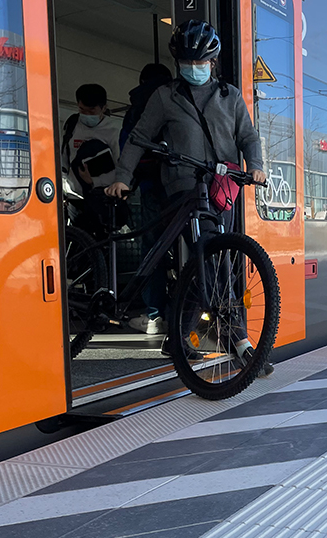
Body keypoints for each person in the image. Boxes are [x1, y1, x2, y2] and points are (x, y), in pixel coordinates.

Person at [106, 20, 272, 376]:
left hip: (221, 190)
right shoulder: (166, 96)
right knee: (209, 261)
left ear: (212, 63)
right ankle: (238, 340)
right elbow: (139, 137)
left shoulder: (230, 97)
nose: (192, 68)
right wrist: (122, 177)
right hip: (182, 187)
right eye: (186, 62)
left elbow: (249, 138)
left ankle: (178, 336)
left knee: (210, 263)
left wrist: (255, 166)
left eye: (199, 62)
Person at [119, 63, 173, 336]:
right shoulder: (179, 98)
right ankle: (189, 312)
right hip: (181, 185)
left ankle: (154, 315)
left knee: (153, 249)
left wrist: (126, 179)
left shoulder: (138, 105)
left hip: (151, 187)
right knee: (196, 246)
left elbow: (128, 143)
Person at [61, 84, 122, 240]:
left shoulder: (114, 130)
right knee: (77, 243)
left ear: (103, 108)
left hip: (103, 199)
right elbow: (64, 158)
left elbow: (120, 166)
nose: (86, 115)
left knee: (100, 245)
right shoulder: (72, 124)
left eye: (91, 111)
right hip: (75, 197)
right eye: (82, 110)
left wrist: (93, 181)